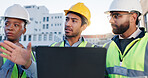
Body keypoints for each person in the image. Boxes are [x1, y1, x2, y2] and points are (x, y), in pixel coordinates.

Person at [103, 0, 148, 77]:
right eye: (111, 16)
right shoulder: (107, 48)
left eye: (116, 16)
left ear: (133, 17)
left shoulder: (146, 44)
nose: (111, 21)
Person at [0, 4, 37, 78]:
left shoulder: (30, 54)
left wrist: (28, 64)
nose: (10, 28)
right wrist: (10, 62)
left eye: (16, 25)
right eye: (7, 24)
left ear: (24, 30)